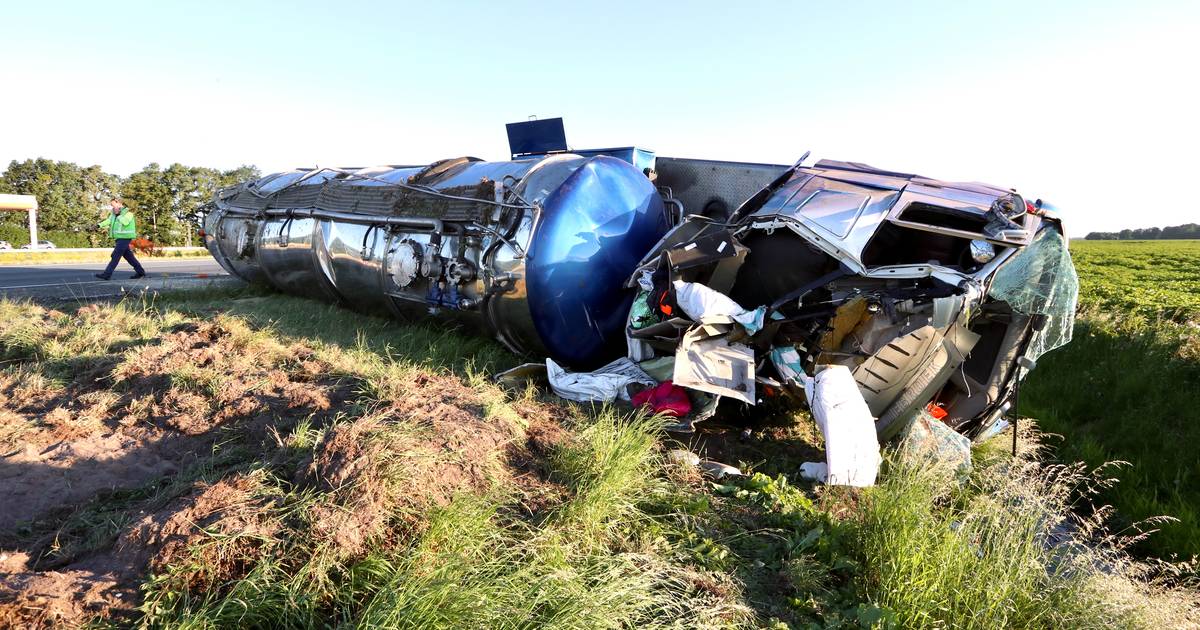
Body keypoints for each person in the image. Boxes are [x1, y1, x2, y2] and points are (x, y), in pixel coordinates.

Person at [95, 198, 146, 280]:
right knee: (129, 257)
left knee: (115, 255)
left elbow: (125, 222)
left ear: (118, 203)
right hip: (119, 238)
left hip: (125, 238)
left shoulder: (128, 213)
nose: (112, 207)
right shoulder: (113, 214)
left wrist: (118, 215)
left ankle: (107, 274)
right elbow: (108, 221)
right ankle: (140, 272)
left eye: (113, 205)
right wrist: (98, 225)